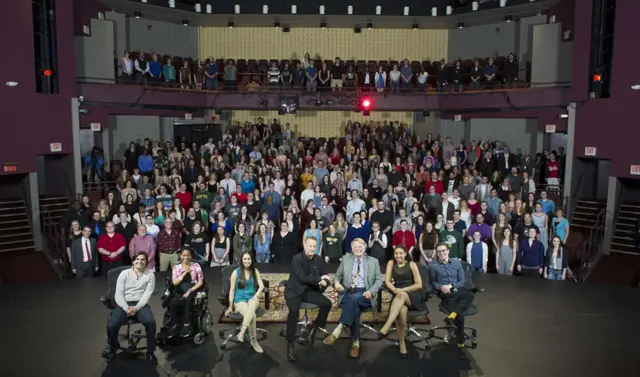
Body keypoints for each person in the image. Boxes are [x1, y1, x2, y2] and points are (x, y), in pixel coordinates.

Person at [322, 238, 383, 359]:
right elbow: (337, 276)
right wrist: (337, 283)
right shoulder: (346, 259)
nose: (358, 248)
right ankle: (355, 342)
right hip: (347, 292)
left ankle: (339, 329)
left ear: (365, 248)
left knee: (354, 300)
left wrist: (371, 291)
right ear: (351, 248)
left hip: (364, 293)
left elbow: (379, 280)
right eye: (355, 246)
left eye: (360, 246)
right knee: (353, 303)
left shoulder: (373, 261)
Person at [284, 237, 333, 362]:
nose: (311, 248)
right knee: (294, 312)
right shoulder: (297, 259)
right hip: (294, 290)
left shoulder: (318, 259)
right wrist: (319, 279)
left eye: (313, 246)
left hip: (308, 290)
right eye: (309, 246)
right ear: (304, 246)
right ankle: (290, 343)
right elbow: (302, 277)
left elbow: (325, 273)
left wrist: (326, 280)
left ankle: (314, 327)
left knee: (327, 304)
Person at [104, 252, 157, 364]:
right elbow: (118, 294)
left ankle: (150, 351)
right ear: (133, 261)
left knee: (150, 322)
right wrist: (126, 308)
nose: (140, 261)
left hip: (140, 304)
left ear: (146, 262)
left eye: (143, 259)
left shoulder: (150, 275)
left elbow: (147, 295)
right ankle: (113, 349)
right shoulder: (124, 274)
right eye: (137, 259)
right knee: (112, 325)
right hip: (124, 303)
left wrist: (136, 308)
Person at [428, 243, 476, 358]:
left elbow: (462, 281)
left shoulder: (457, 263)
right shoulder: (433, 266)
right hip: (447, 294)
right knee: (460, 316)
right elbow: (432, 283)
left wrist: (451, 286)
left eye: (444, 250)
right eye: (439, 252)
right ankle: (461, 343)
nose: (442, 253)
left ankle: (452, 314)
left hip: (458, 290)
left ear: (448, 251)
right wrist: (442, 287)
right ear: (437, 254)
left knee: (469, 294)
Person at [377, 246, 425, 358]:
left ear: (405, 254)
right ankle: (402, 344)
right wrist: (394, 290)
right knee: (402, 313)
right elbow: (387, 281)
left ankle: (387, 325)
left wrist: (402, 290)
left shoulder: (412, 264)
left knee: (401, 295)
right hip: (397, 294)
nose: (398, 256)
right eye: (396, 253)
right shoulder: (390, 263)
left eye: (401, 253)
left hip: (412, 295)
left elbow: (419, 285)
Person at [224, 252, 265, 353]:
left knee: (251, 308)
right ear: (241, 260)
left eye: (249, 259)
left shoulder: (254, 271)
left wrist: (256, 295)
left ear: (252, 260)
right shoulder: (236, 272)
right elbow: (232, 290)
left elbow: (261, 286)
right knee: (253, 316)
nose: (247, 261)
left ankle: (241, 333)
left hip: (252, 298)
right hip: (239, 300)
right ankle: (254, 341)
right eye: (245, 259)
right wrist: (230, 306)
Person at [168, 248, 204, 338]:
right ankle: (174, 325)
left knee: (188, 299)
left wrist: (189, 291)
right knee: (172, 303)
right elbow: (175, 283)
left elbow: (200, 282)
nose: (185, 257)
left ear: (191, 256)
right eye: (183, 255)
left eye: (188, 255)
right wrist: (185, 273)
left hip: (193, 289)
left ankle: (186, 324)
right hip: (180, 289)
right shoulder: (176, 267)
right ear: (180, 256)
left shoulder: (196, 265)